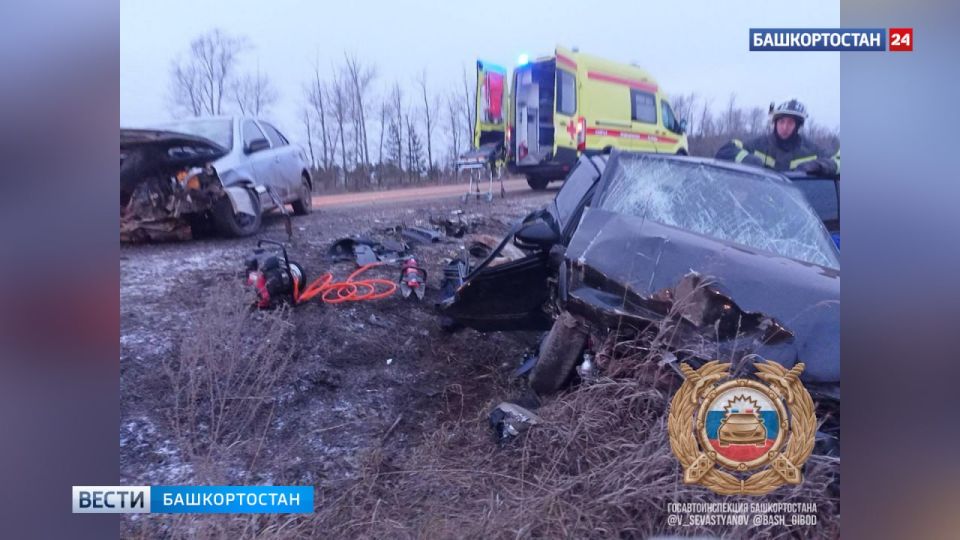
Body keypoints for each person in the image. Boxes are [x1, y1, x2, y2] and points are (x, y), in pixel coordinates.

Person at [716, 99, 839, 175]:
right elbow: (726, 150)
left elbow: (840, 161)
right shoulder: (759, 145)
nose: (785, 127)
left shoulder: (811, 151)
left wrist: (819, 166)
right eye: (781, 122)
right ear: (775, 123)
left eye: (790, 123)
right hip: (761, 204)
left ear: (797, 126)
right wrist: (749, 159)